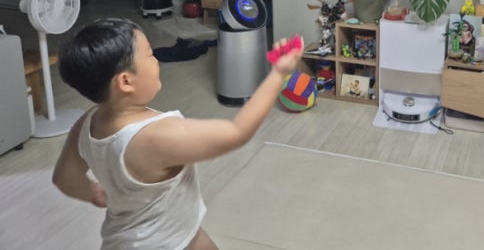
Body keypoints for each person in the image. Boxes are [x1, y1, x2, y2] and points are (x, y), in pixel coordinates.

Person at [52, 17, 302, 250]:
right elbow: (238, 131)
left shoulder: (86, 124)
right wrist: (278, 73)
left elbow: (64, 178)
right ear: (126, 82)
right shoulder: (159, 135)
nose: (156, 61)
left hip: (144, 237)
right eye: (150, 55)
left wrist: (95, 194)